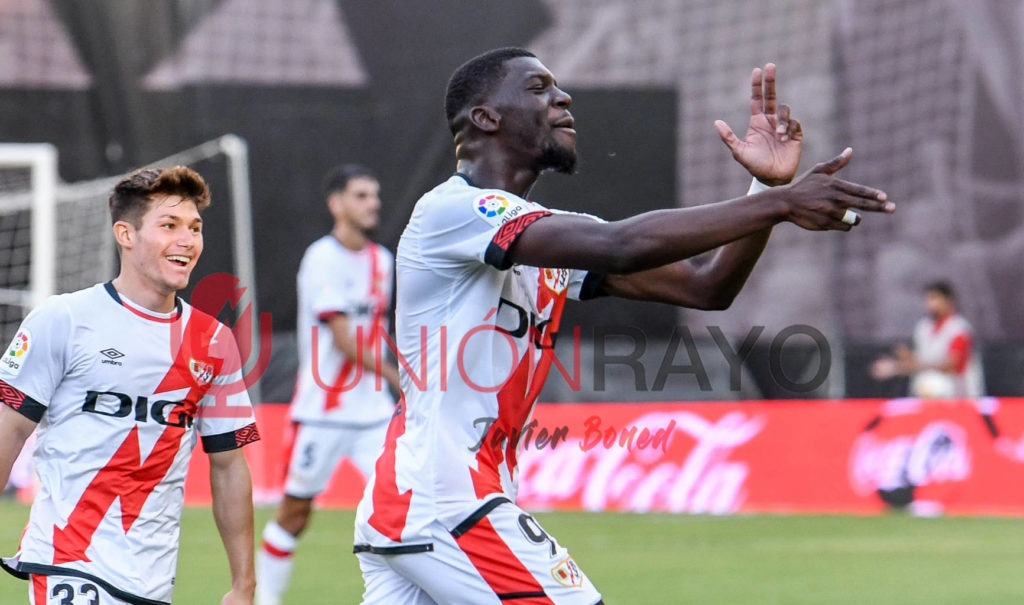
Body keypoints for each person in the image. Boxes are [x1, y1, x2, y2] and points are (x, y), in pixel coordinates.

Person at [353, 47, 893, 604]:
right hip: (444, 498)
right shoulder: (452, 210)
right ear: (486, 118)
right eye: (538, 88)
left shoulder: (548, 236)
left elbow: (707, 287)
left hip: (420, 500)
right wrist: (780, 205)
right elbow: (623, 245)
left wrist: (765, 191)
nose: (562, 98)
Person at [0, 166, 260, 605]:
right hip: (69, 559)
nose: (187, 240)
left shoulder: (214, 340)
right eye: (169, 225)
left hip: (152, 576)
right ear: (126, 234)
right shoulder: (64, 318)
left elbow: (229, 465)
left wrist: (244, 584)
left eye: (195, 228)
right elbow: (8, 431)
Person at [256, 165, 399, 605]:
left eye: (374, 195)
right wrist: (399, 378)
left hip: (374, 413)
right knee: (295, 515)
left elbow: (379, 332)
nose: (372, 203)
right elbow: (343, 338)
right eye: (361, 195)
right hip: (322, 414)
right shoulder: (322, 257)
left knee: (401, 511)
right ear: (336, 204)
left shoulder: (383, 261)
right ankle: (264, 600)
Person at [871, 281, 984, 398]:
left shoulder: (959, 329)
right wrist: (894, 367)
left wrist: (915, 364)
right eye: (927, 299)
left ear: (948, 300)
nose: (929, 304)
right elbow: (918, 363)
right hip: (925, 395)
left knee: (934, 384)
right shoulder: (923, 327)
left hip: (957, 396)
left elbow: (950, 365)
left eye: (934, 298)